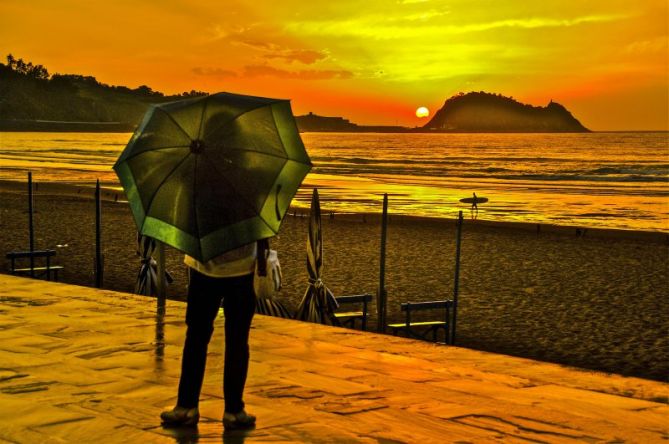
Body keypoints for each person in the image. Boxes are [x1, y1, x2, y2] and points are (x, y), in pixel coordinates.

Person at [160, 241, 259, 430]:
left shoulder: (200, 208)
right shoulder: (250, 209)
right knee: (236, 341)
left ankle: (187, 405)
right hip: (242, 267)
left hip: (204, 266)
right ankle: (234, 410)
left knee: (197, 338)